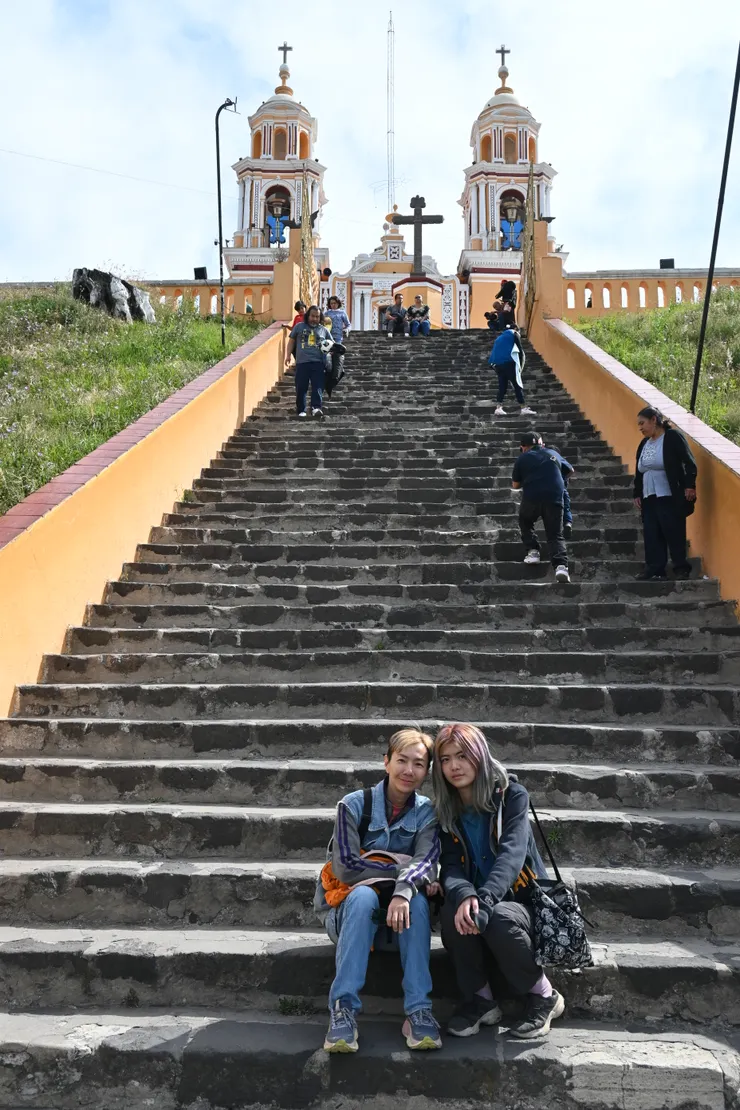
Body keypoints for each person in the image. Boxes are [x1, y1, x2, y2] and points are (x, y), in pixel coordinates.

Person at [433, 723, 565, 1040]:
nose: (454, 766)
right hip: (480, 903)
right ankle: (481, 1001)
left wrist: (485, 899)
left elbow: (512, 854)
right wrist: (466, 897)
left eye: (463, 755)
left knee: (498, 918)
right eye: (446, 758)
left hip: (520, 904)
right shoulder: (446, 811)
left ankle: (545, 996)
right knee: (453, 912)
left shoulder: (511, 797)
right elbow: (449, 866)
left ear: (480, 756)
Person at [315, 728, 443, 1054]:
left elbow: (427, 862)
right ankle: (343, 1009)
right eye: (401, 760)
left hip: (401, 928)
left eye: (418, 764)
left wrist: (403, 888)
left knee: (416, 902)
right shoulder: (354, 806)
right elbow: (345, 867)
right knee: (362, 895)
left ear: (426, 771)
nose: (408, 771)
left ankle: (418, 1010)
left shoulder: (427, 812)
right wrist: (401, 869)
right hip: (350, 921)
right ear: (386, 761)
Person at [633, 406, 697, 580]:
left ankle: (681, 568)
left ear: (654, 420)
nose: (640, 427)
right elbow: (639, 472)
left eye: (642, 423)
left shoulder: (672, 437)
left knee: (673, 530)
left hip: (669, 493)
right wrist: (637, 493)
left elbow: (688, 462)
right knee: (652, 533)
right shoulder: (644, 444)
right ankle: (655, 569)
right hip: (649, 496)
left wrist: (690, 485)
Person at [512, 431, 572, 582]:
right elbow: (570, 470)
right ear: (541, 444)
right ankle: (561, 567)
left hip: (533, 497)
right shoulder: (552, 453)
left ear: (523, 447)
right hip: (555, 497)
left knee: (525, 520)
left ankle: (533, 551)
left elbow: (516, 485)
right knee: (555, 534)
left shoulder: (522, 458)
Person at [285, 305, 331, 419]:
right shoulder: (299, 327)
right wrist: (287, 356)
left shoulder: (323, 330)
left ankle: (316, 408)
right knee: (301, 387)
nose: (314, 319)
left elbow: (331, 344)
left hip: (318, 362)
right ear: (308, 316)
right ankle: (301, 410)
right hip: (302, 362)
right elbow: (291, 341)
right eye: (312, 316)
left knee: (318, 386)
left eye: (317, 317)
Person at [489, 326, 536, 417]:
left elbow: (494, 352)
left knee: (502, 386)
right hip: (509, 363)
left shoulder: (499, 338)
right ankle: (523, 408)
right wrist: (520, 367)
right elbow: (520, 349)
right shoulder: (514, 334)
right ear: (516, 329)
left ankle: (498, 408)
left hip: (497, 365)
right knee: (517, 385)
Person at [536, 434, 575, 539]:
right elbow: (571, 470)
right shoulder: (560, 461)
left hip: (547, 490)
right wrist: (564, 478)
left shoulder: (544, 462)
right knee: (566, 507)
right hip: (562, 488)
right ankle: (567, 523)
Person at [324, 296, 351, 398]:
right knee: (328, 362)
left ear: (338, 303)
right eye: (331, 303)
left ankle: (333, 381)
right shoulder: (327, 314)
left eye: (334, 303)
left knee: (337, 361)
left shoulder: (342, 313)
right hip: (328, 339)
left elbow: (348, 324)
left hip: (338, 339)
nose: (333, 305)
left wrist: (347, 330)